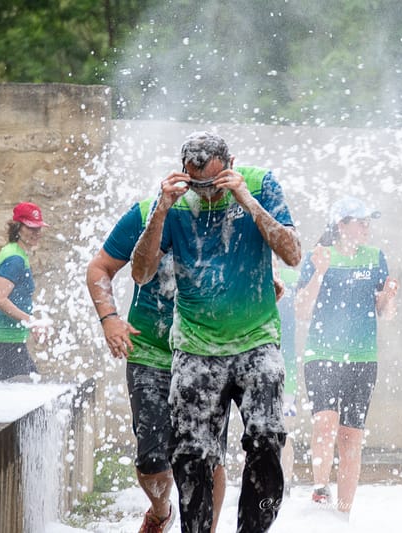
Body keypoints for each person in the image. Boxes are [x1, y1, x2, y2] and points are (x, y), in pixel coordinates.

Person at [130, 131, 301, 533]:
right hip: (195, 347)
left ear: (230, 165)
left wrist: (246, 200)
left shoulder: (259, 183)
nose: (204, 193)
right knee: (191, 454)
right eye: (196, 184)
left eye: (212, 183)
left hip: (256, 341)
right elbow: (141, 273)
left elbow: (292, 253)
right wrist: (161, 209)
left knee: (265, 439)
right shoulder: (173, 204)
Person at [86, 197, 233, 533]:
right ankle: (161, 509)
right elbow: (100, 268)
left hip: (208, 354)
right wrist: (109, 318)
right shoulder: (146, 213)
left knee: (208, 458)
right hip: (150, 353)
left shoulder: (231, 215)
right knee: (152, 459)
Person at [295, 196, 398, 515]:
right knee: (326, 421)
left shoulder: (375, 258)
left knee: (351, 436)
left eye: (369, 222)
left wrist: (389, 297)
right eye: (360, 221)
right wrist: (320, 273)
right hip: (323, 354)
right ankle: (320, 487)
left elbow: (386, 313)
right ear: (341, 225)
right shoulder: (319, 256)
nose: (367, 227)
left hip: (362, 358)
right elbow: (301, 311)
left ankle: (343, 514)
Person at [0, 202, 50, 381]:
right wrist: (32, 322)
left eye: (39, 228)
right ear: (18, 227)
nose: (36, 233)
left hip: (4, 341)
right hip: (4, 342)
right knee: (29, 390)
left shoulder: (12, 252)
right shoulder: (15, 258)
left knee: (19, 392)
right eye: (31, 227)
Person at [276, 262, 301, 494]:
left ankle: (286, 487)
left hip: (287, 370)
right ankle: (255, 486)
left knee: (285, 429)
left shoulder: (292, 278)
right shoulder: (252, 273)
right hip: (255, 363)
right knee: (253, 430)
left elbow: (304, 311)